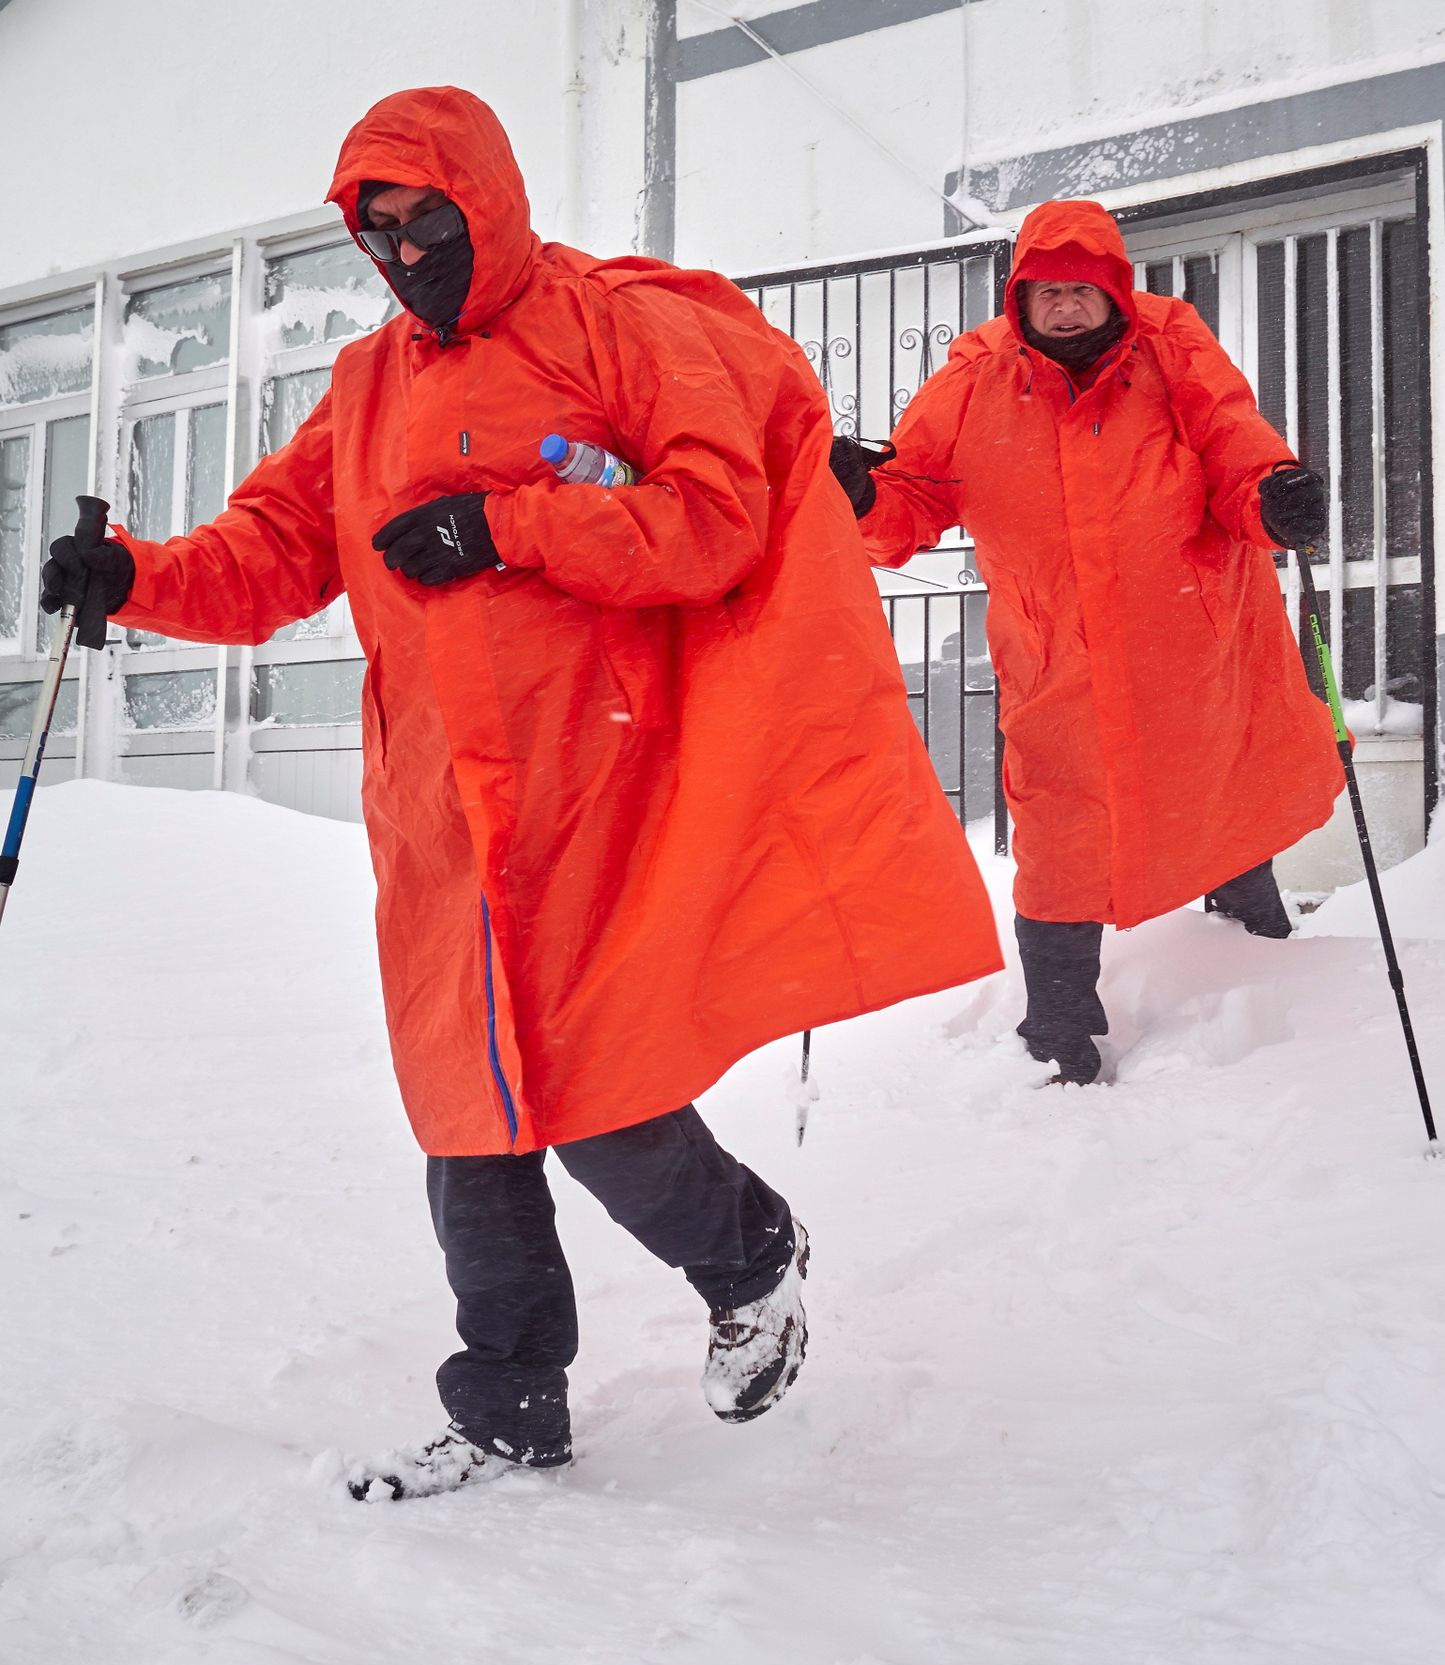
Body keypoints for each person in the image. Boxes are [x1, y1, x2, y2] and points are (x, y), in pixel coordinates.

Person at [41, 87, 1001, 1499]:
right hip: (439, 811)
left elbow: (714, 520)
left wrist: (507, 523)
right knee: (467, 1118)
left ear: (483, 200)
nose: (404, 251)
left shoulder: (614, 328)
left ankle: (750, 1255)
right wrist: (134, 574)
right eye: (378, 231)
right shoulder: (367, 386)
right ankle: (508, 1403)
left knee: (601, 1092)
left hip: (602, 783)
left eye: (425, 218)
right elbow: (273, 548)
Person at [829, 199, 1344, 1086]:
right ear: (1020, 299)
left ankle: (1259, 953)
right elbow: (913, 499)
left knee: (1218, 789)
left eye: (1083, 291)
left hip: (1192, 644)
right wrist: (862, 493)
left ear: (1114, 293)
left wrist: (1274, 499)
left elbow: (1235, 452)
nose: (1065, 307)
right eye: (1047, 293)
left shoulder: (1170, 344)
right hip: (1054, 658)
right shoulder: (977, 375)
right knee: (1061, 832)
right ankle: (1059, 1023)